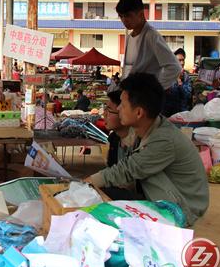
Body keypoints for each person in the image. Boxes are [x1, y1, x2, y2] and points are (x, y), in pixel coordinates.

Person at [87, 73, 208, 225]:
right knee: (105, 194)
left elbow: (128, 170)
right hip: (167, 196)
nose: (118, 108)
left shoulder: (163, 139)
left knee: (108, 191)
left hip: (182, 210)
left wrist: (87, 183)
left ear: (139, 113)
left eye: (122, 105)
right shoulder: (144, 129)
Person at [117, 0, 182, 89]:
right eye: (121, 16)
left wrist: (153, 90)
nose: (124, 20)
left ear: (141, 14)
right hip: (130, 95)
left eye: (127, 15)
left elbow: (174, 67)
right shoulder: (130, 36)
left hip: (143, 99)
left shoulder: (151, 35)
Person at [163, 48, 192, 117]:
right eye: (179, 60)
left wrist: (179, 81)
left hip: (183, 114)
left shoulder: (186, 76)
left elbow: (187, 95)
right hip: (168, 114)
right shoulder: (166, 75)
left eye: (183, 60)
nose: (182, 63)